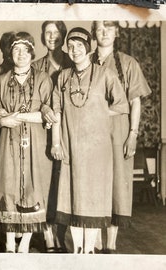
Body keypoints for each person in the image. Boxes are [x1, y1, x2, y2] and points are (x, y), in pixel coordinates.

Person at [50, 27, 129, 254]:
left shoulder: (105, 75)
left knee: (93, 199)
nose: (75, 51)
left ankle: (90, 251)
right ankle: (77, 250)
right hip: (70, 147)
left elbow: (121, 105)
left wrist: (98, 114)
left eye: (79, 46)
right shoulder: (63, 77)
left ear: (89, 47)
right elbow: (56, 111)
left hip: (96, 150)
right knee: (72, 198)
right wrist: (56, 142)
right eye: (71, 46)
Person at [91, 21, 151, 253]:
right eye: (99, 28)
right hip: (91, 132)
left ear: (117, 32)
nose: (104, 32)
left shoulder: (127, 63)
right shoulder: (85, 60)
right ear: (94, 33)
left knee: (117, 185)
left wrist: (133, 134)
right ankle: (93, 243)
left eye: (109, 27)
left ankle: (111, 245)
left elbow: (135, 101)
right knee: (93, 183)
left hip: (119, 130)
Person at [0, 32, 52, 253]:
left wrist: (15, 116)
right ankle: (9, 244)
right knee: (7, 186)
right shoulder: (0, 81)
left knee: (33, 188)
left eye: (25, 50)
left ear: (32, 53)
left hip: (35, 143)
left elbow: (46, 114)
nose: (20, 54)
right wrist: (1, 119)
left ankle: (25, 244)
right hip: (8, 143)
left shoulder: (43, 79)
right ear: (10, 53)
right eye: (16, 49)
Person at [32, 20, 72, 253]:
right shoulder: (36, 66)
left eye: (57, 33)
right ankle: (48, 237)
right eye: (48, 32)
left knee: (66, 185)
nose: (52, 37)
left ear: (64, 36)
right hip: (43, 133)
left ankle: (63, 236)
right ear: (42, 36)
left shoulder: (74, 60)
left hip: (69, 133)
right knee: (47, 185)